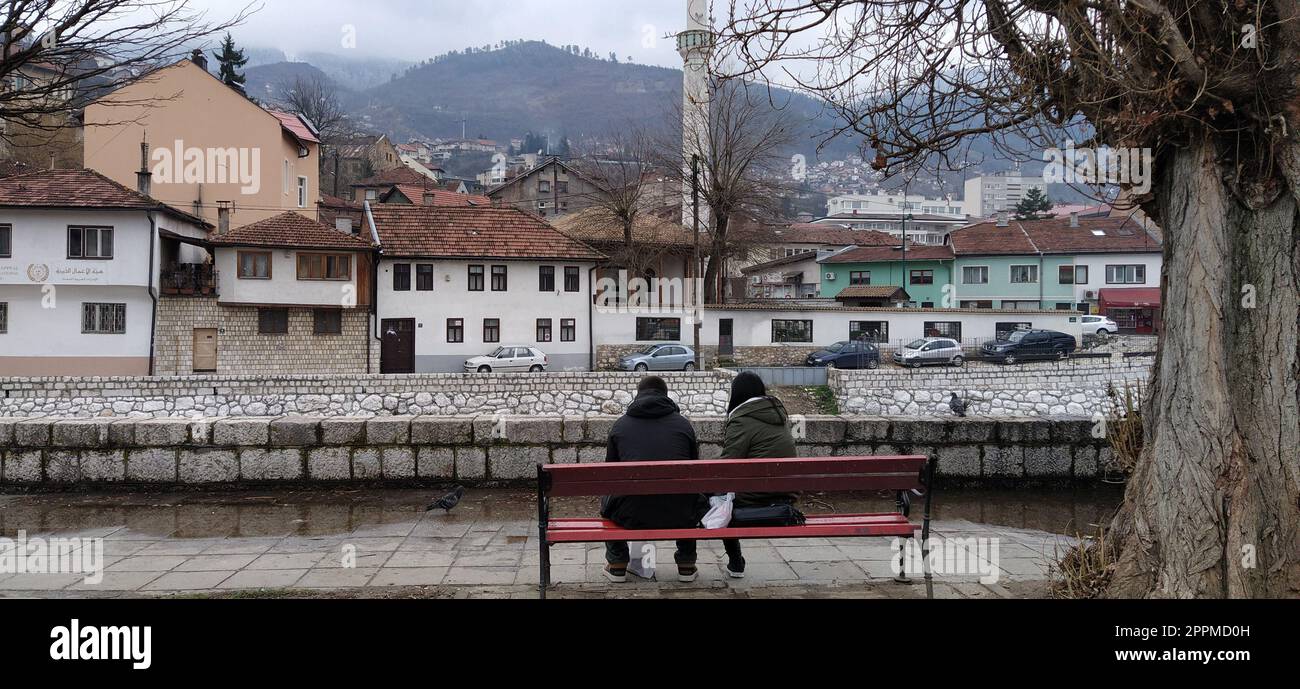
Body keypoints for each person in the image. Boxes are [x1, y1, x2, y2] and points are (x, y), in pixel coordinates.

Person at [601, 376, 708, 583]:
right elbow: (694, 472)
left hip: (631, 512)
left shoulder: (620, 426)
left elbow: (610, 475)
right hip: (679, 512)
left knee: (608, 500)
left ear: (638, 395)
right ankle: (686, 564)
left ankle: (617, 564)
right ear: (665, 396)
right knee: (689, 495)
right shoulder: (683, 426)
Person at [717, 371, 799, 578]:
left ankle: (734, 561)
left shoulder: (742, 420)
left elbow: (727, 465)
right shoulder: (778, 416)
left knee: (715, 499)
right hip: (786, 494)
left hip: (756, 496)